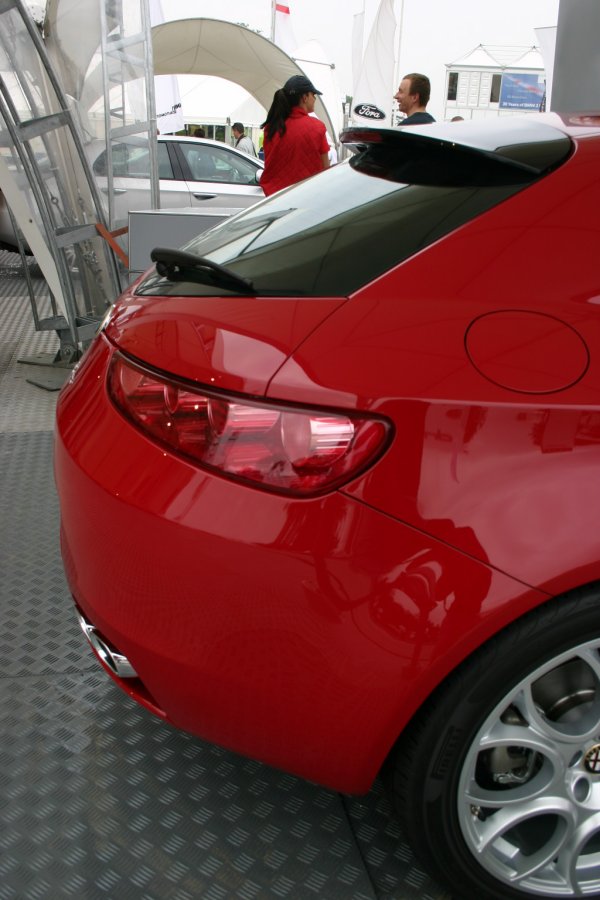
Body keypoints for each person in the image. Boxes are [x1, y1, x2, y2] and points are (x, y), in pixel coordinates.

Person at [260, 74, 330, 196]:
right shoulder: (317, 127)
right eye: (313, 95)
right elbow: (325, 170)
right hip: (307, 198)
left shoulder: (271, 128)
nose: (315, 99)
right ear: (304, 97)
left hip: (275, 199)